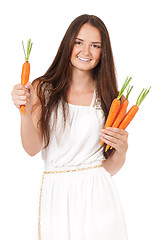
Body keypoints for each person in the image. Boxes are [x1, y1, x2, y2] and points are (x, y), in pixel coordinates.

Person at [11, 14, 128, 240]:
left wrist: (122, 149)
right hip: (57, 196)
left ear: (104, 52)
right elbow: (32, 148)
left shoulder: (110, 100)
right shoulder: (42, 89)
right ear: (68, 44)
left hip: (100, 197)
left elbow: (108, 170)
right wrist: (23, 110)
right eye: (79, 42)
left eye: (95, 46)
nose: (86, 52)